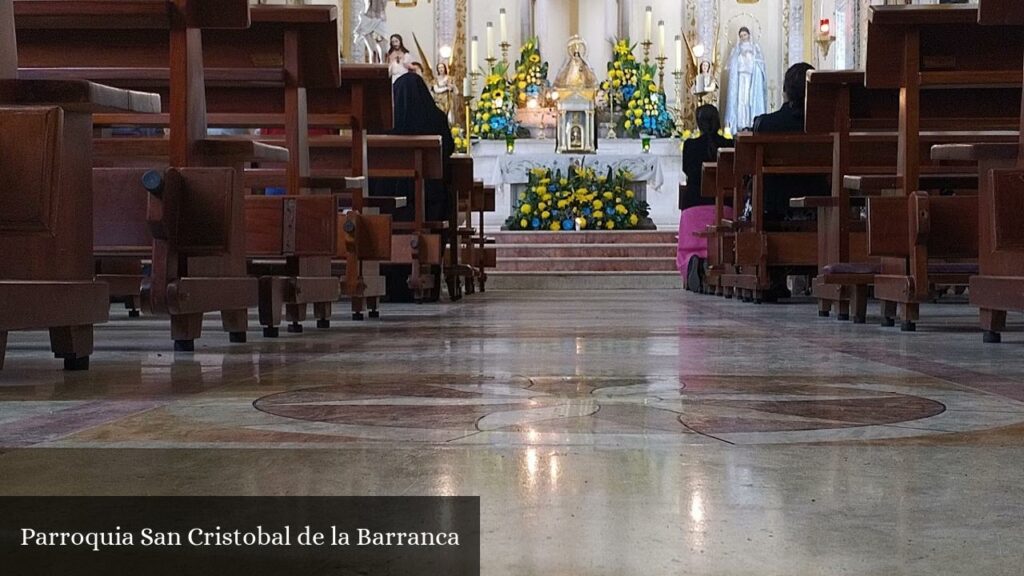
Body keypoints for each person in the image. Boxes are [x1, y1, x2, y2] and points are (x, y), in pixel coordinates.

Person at [373, 73, 455, 301]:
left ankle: (388, 283)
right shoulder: (436, 119)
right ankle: (429, 277)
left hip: (390, 204)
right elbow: (448, 151)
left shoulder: (385, 121)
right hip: (428, 204)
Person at [752, 61, 828, 219]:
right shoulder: (828, 126)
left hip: (775, 210)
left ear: (785, 92)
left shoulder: (765, 125)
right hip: (821, 208)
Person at [678, 105, 733, 291]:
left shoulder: (690, 146)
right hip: (724, 206)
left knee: (689, 247)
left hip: (694, 205)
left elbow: (687, 170)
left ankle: (692, 261)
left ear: (698, 123)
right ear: (718, 122)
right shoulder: (730, 145)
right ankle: (719, 268)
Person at [723, 27, 768, 133]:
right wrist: (739, 57)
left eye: (745, 35)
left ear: (749, 35)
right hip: (740, 79)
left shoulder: (755, 48)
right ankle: (740, 123)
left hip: (751, 79)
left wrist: (751, 57)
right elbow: (730, 65)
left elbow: (760, 63)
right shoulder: (736, 49)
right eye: (741, 36)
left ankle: (750, 123)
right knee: (740, 100)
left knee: (750, 100)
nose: (743, 37)